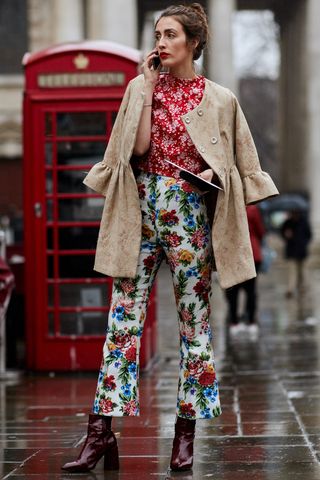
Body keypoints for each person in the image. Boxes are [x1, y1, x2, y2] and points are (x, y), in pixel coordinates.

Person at [62, 3, 278, 473]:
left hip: (188, 216)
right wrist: (146, 91)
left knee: (193, 327)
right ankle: (100, 431)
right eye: (158, 33)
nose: (161, 42)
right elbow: (135, 150)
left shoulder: (221, 99)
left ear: (194, 43)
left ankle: (186, 433)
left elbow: (242, 166)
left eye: (171, 34)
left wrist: (210, 172)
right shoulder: (140, 87)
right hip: (137, 214)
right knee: (122, 323)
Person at [225, 204, 265, 340]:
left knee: (233, 290)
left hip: (233, 252)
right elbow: (261, 231)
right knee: (251, 290)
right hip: (252, 253)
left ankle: (234, 322)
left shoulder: (228, 207)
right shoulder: (253, 209)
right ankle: (251, 321)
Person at [280, 209, 312, 297]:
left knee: (303, 271)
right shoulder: (287, 223)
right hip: (291, 251)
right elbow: (282, 233)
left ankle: (302, 288)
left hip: (302, 251)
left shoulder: (304, 222)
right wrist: (286, 235)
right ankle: (290, 289)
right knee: (292, 271)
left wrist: (303, 243)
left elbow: (309, 235)